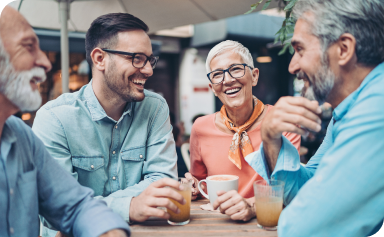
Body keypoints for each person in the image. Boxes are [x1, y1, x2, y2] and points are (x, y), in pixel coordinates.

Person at [32, 13, 185, 236]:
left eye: (149, 59)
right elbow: (55, 210)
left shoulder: (155, 107)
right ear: (99, 59)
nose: (149, 70)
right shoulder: (54, 118)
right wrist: (130, 206)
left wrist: (91, 208)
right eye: (136, 58)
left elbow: (163, 182)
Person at [245, 0, 384, 236]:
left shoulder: (377, 108)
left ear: (343, 49)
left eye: (300, 49)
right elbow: (303, 191)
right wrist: (270, 139)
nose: (292, 66)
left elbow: (304, 228)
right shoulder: (346, 112)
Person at [0, 5, 130, 237]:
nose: (46, 63)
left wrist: (108, 230)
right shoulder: (52, 117)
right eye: (29, 46)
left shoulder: (21, 136)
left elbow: (75, 205)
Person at [185, 40, 301, 221]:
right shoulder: (200, 128)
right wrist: (191, 187)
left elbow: (291, 189)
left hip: (267, 224)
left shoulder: (282, 121)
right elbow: (200, 186)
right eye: (217, 74)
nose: (228, 80)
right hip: (217, 226)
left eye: (236, 69)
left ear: (254, 76)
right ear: (212, 88)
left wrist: (253, 206)